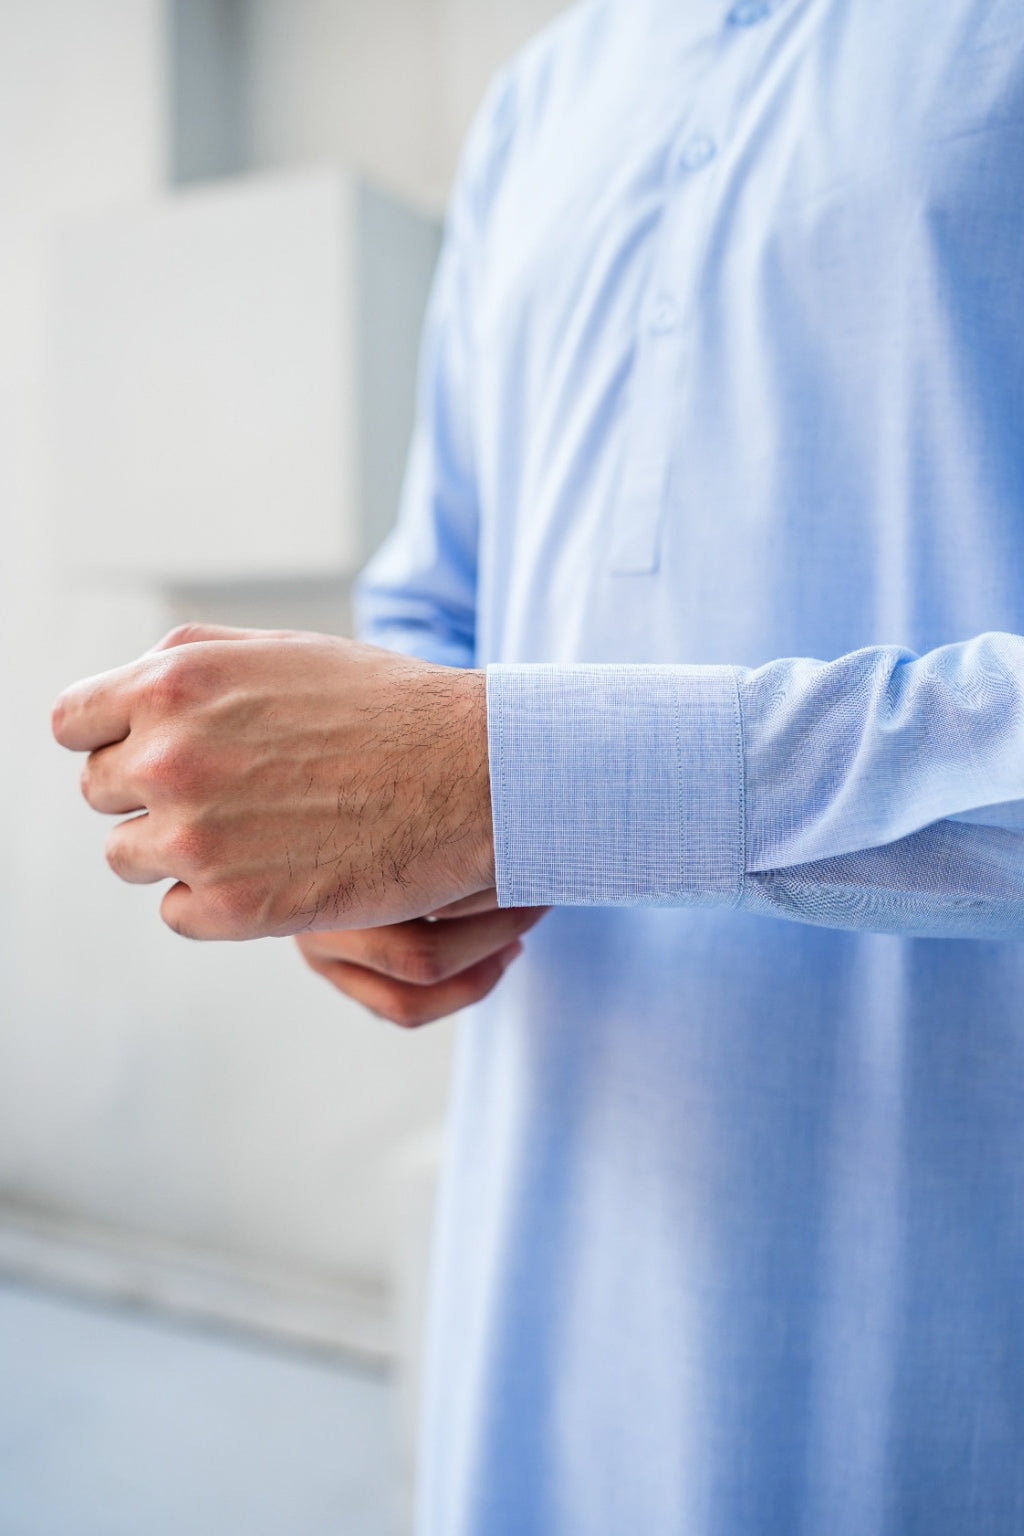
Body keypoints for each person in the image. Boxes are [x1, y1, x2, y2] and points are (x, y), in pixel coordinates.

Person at [53, 0, 1024, 1530]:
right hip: (551, 1271)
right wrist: (369, 843)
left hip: (958, 1314)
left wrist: (513, 778)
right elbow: (442, 606)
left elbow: (489, 751)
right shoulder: (544, 95)